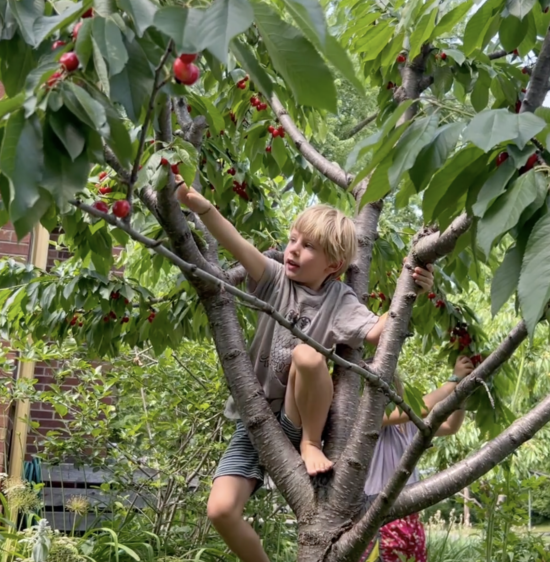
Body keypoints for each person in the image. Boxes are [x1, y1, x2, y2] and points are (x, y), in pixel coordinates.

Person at [175, 178, 434, 562]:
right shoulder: (275, 278)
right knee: (221, 511)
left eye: (307, 246)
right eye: (293, 240)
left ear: (333, 264)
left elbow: (380, 333)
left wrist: (414, 292)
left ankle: (310, 444)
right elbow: (237, 244)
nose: (293, 250)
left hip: (298, 413)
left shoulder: (339, 299)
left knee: (308, 357)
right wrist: (201, 207)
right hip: (254, 419)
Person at [361, 355, 476, 562]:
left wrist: (462, 396)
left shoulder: (406, 424)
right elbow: (421, 407)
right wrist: (454, 380)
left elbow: (450, 427)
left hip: (408, 515)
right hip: (375, 515)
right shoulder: (367, 418)